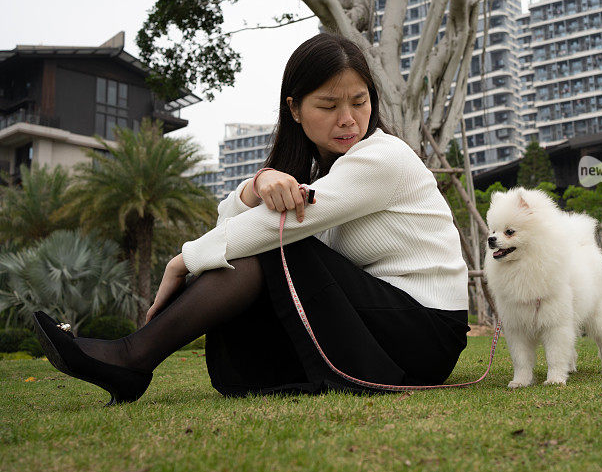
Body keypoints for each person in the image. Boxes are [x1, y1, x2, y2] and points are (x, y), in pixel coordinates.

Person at [33, 33, 470, 405]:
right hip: (378, 320)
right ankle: (131, 358)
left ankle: (131, 357)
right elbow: (233, 221)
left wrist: (182, 260)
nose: (348, 119)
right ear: (295, 109)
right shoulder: (320, 174)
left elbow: (275, 230)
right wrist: (256, 184)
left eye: (360, 101)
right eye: (328, 105)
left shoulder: (382, 157)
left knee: (276, 244)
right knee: (266, 243)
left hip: (424, 331)